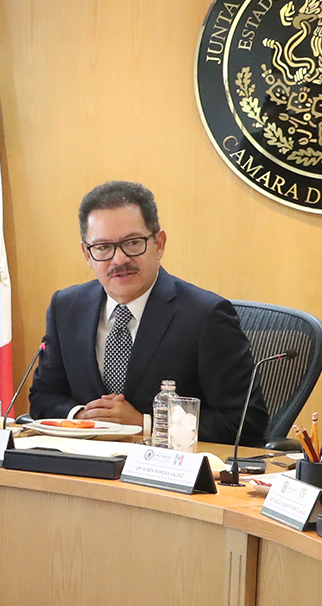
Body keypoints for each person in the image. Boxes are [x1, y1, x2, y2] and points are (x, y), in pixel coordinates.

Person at [30, 180, 262, 445]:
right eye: (103, 247)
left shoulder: (205, 316)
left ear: (159, 244)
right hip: (84, 463)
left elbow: (246, 423)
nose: (119, 260)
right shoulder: (66, 307)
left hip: (164, 465)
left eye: (132, 243)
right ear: (87, 254)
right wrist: (83, 418)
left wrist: (146, 424)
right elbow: (43, 397)